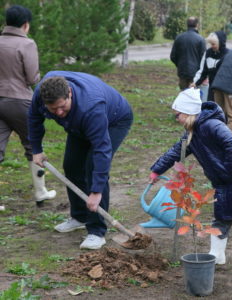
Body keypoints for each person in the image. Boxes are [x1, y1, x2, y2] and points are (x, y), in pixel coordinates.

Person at [149, 88, 232, 264]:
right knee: (222, 215)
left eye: (178, 115)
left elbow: (230, 142)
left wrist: (230, 168)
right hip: (222, 181)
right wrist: (157, 170)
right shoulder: (193, 132)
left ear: (189, 112)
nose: (176, 119)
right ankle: (217, 254)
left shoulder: (210, 125)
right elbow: (176, 151)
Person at [28, 71, 133, 250]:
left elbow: (102, 149)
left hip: (115, 119)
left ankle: (97, 231)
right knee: (71, 166)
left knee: (93, 166)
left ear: (69, 92)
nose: (59, 113)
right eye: (53, 110)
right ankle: (79, 217)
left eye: (62, 107)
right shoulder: (41, 94)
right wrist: (36, 149)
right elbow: (34, 119)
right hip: (78, 122)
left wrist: (96, 191)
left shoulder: (91, 107)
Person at [0, 5, 56, 204]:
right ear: (25, 25)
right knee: (33, 146)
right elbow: (32, 78)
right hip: (19, 100)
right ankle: (40, 192)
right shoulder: (27, 44)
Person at [170, 17, 206, 90]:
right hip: (195, 73)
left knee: (183, 94)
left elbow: (173, 56)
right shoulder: (200, 39)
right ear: (197, 25)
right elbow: (203, 58)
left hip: (182, 71)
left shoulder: (179, 37)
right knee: (194, 95)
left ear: (187, 25)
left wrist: (179, 64)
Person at [193, 31, 228, 102]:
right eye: (210, 44)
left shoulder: (228, 54)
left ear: (220, 43)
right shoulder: (208, 53)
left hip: (225, 89)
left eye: (213, 44)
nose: (211, 46)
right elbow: (204, 72)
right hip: (212, 89)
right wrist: (196, 83)